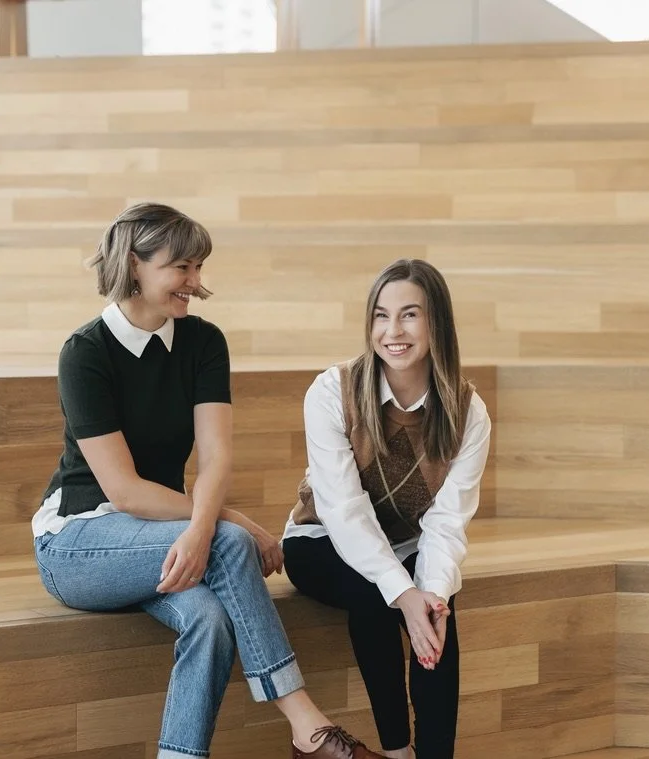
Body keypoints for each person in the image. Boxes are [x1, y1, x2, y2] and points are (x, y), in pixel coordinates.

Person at [31, 202, 388, 759]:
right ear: (134, 263)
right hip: (79, 542)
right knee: (227, 542)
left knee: (211, 620)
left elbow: (217, 456)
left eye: (199, 267)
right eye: (183, 267)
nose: (196, 283)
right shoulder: (85, 354)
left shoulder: (202, 343)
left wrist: (204, 527)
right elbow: (122, 491)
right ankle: (309, 729)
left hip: (161, 539)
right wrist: (222, 523)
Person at [281, 259, 492, 759]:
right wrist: (403, 592)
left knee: (440, 608)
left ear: (436, 322)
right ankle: (396, 751)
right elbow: (344, 510)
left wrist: (432, 594)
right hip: (320, 543)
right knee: (379, 593)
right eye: (381, 316)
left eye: (409, 315)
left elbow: (447, 520)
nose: (392, 331)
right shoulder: (333, 390)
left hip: (409, 543)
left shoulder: (468, 411)